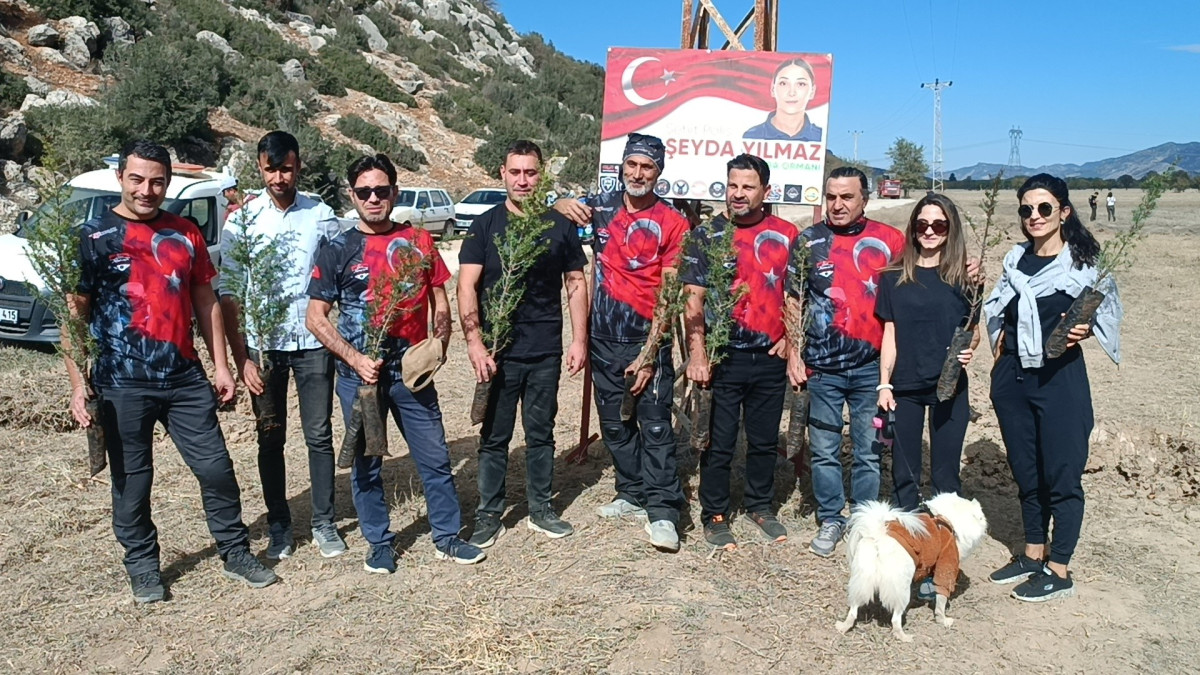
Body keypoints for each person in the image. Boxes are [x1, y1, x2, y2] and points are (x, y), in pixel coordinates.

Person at [66, 139, 276, 603]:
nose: (147, 190)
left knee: (217, 468)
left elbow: (205, 299)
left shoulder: (185, 232)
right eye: (137, 179)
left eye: (157, 181)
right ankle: (142, 566)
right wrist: (79, 386)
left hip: (183, 377)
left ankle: (235, 551)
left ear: (168, 183)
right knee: (133, 482)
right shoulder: (94, 236)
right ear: (120, 178)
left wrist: (221, 365)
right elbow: (74, 317)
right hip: (121, 381)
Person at [306, 153, 484, 573]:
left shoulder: (419, 242)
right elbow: (316, 317)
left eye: (381, 190)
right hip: (359, 378)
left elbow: (441, 296)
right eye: (364, 191)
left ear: (394, 193)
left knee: (435, 457)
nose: (373, 198)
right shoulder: (338, 249)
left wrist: (438, 343)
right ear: (352, 195)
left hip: (412, 375)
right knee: (367, 465)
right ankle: (380, 543)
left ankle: (447, 536)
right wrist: (354, 358)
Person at [983, 173, 1119, 602]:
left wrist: (1088, 330)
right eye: (1026, 209)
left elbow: (1105, 312)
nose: (1034, 216)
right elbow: (995, 309)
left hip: (1060, 382)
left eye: (1044, 208)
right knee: (1027, 472)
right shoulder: (1014, 261)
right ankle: (1032, 553)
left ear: (1064, 212)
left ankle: (1059, 568)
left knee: (1062, 474)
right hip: (1014, 380)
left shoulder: (1083, 267)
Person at [553, 134, 689, 552]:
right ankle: (632, 492)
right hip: (602, 337)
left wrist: (650, 354)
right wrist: (558, 205)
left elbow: (669, 293)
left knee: (654, 425)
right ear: (621, 166)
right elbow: (551, 214)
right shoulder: (601, 207)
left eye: (646, 167)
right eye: (631, 164)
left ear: (659, 172)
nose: (637, 173)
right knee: (614, 425)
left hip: (647, 339)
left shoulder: (673, 221)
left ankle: (664, 510)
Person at [218, 131, 345, 561]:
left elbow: (336, 276)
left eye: (286, 168)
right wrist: (242, 359)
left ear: (298, 165)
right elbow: (231, 292)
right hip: (263, 348)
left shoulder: (321, 215)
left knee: (319, 434)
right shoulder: (242, 221)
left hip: (312, 343)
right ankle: (279, 527)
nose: (278, 177)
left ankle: (324, 523)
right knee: (270, 437)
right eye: (270, 169)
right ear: (259, 168)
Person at [457, 140, 589, 547]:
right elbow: (466, 285)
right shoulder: (486, 225)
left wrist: (579, 339)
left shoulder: (559, 224)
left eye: (531, 172)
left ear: (541, 174)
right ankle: (488, 514)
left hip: (545, 349)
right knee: (495, 437)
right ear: (502, 174)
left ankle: (541, 509)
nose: (523, 180)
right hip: (498, 354)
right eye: (515, 172)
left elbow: (575, 283)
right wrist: (475, 343)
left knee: (541, 432)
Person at [786, 166, 907, 557]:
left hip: (872, 368)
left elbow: (915, 288)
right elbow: (793, 299)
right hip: (821, 368)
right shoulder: (808, 241)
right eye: (831, 197)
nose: (837, 205)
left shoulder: (890, 241)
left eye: (847, 197)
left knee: (868, 448)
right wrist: (793, 352)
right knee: (823, 448)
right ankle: (832, 518)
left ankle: (865, 520)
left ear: (864, 200)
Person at [682, 153, 799, 551]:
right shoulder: (706, 235)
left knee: (765, 439)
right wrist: (699, 355)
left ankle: (760, 505)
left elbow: (799, 294)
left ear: (766, 191)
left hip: (769, 358)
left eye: (748, 187)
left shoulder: (788, 235)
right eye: (733, 185)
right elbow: (692, 300)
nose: (738, 193)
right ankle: (714, 513)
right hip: (723, 356)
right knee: (719, 438)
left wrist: (791, 338)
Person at [875, 194, 979, 512]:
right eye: (922, 224)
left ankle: (944, 539)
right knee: (904, 476)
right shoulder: (892, 277)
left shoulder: (966, 278)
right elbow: (889, 334)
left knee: (946, 476)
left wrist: (969, 350)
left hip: (949, 387)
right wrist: (884, 384)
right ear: (913, 228)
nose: (930, 231)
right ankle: (908, 537)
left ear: (951, 229)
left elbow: (972, 332)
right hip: (905, 388)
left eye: (939, 224)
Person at [742, 57, 823, 142]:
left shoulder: (820, 137)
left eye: (801, 84)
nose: (792, 93)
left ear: (812, 91)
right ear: (772, 89)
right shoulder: (752, 136)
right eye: (783, 83)